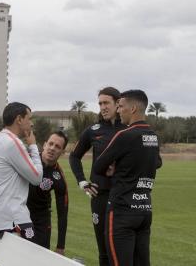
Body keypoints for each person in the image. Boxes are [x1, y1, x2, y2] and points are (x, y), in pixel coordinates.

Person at [93, 90, 162, 266]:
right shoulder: (153, 136)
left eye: (121, 106)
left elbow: (99, 166)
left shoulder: (124, 135)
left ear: (132, 109)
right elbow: (157, 163)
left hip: (122, 211)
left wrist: (115, 167)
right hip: (144, 210)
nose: (118, 110)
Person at [69, 87, 126, 266]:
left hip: (124, 196)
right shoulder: (94, 130)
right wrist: (82, 182)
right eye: (100, 103)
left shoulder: (129, 128)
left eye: (106, 102)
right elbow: (74, 156)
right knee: (103, 251)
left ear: (118, 103)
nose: (102, 107)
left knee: (122, 248)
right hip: (100, 196)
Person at [0, 102, 43, 241]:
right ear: (19, 119)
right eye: (29, 118)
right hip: (13, 219)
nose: (32, 124)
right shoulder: (12, 142)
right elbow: (37, 177)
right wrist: (33, 146)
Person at [27, 131, 69, 255]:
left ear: (62, 152)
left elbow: (63, 213)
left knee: (40, 258)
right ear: (44, 145)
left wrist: (60, 246)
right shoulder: (27, 160)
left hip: (41, 219)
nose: (52, 148)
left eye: (57, 147)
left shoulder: (59, 177)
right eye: (50, 143)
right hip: (20, 213)